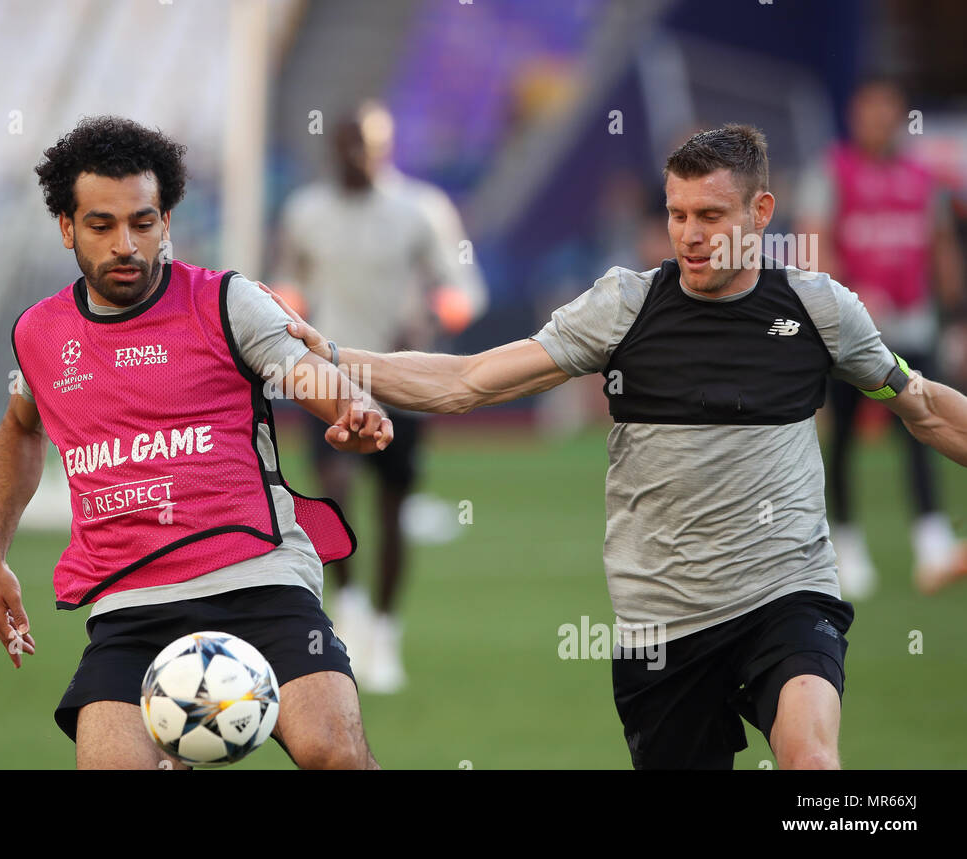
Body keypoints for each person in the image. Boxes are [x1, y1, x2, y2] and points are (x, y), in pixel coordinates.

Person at [271, 124, 967, 769]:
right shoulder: (625, 308)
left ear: (760, 214)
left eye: (711, 217)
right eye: (677, 215)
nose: (689, 236)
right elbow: (467, 381)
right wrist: (334, 356)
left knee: (812, 759)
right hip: (662, 624)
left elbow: (925, 407)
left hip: (786, 593)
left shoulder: (820, 310)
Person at [0, 115, 394, 770]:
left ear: (165, 221)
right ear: (66, 227)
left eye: (143, 222)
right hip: (130, 601)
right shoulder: (38, 333)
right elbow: (19, 429)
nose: (126, 243)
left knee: (334, 750)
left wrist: (354, 406)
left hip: (260, 577)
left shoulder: (226, 301)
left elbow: (308, 373)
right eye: (101, 224)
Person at [273, 100, 488, 692]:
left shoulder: (420, 209)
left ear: (385, 149)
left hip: (401, 380)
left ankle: (387, 631)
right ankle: (353, 610)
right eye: (344, 146)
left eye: (364, 147)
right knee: (334, 491)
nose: (353, 158)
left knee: (393, 507)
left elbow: (464, 287)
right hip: (326, 380)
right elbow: (288, 285)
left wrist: (430, 318)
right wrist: (290, 318)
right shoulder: (306, 211)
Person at [797, 76, 967, 598]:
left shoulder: (923, 178)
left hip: (912, 325)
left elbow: (942, 247)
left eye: (888, 111)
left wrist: (956, 316)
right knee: (843, 436)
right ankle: (845, 544)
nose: (879, 121)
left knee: (920, 423)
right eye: (870, 110)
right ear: (855, 115)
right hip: (852, 333)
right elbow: (813, 242)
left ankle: (932, 535)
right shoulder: (833, 171)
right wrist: (849, 296)